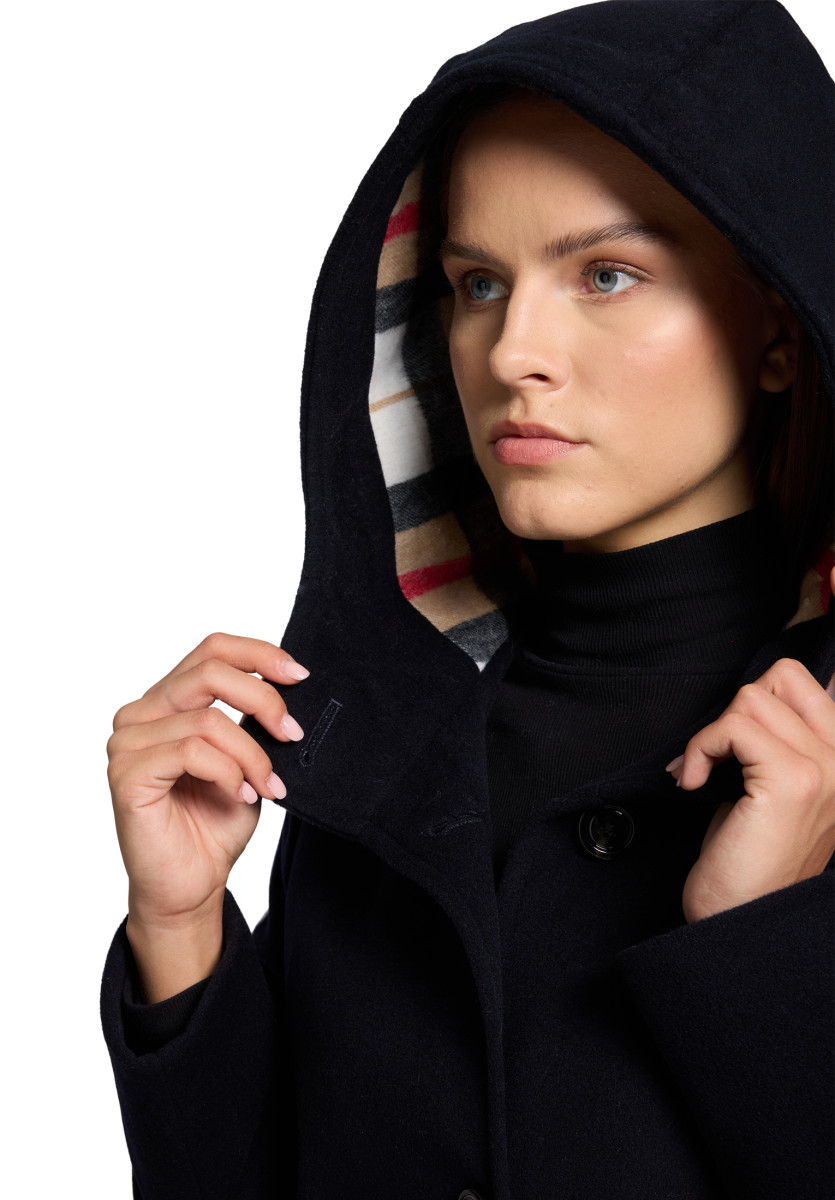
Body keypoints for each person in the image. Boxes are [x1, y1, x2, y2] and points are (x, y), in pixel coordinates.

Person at [101, 2, 835, 1197]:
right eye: (478, 283)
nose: (509, 353)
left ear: (778, 325)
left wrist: (763, 943)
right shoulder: (372, 753)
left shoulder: (820, 770)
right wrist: (179, 929)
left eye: (606, 274)